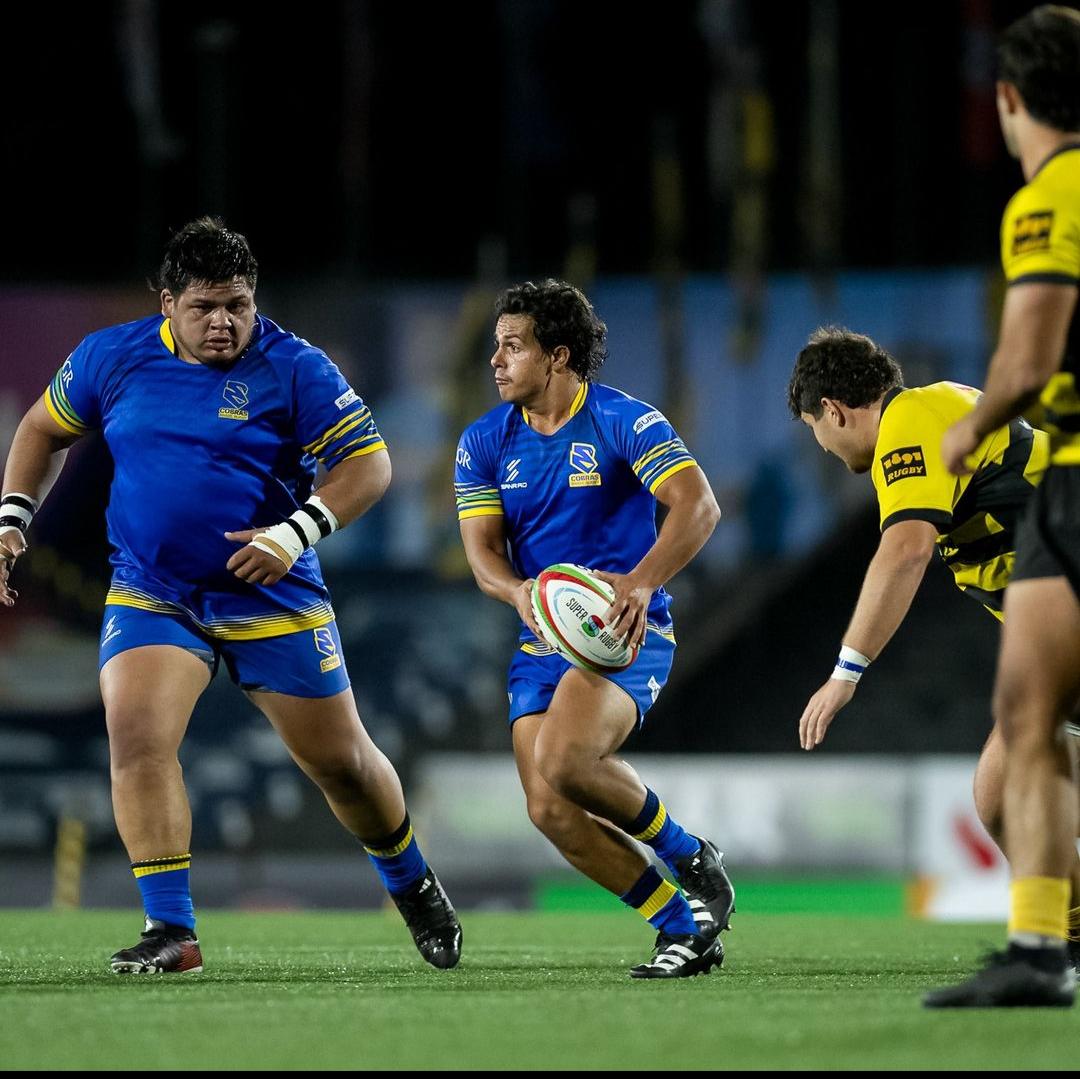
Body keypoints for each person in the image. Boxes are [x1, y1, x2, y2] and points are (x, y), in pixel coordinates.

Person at [0, 217, 461, 974]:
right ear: (167, 302)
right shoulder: (110, 357)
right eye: (206, 306)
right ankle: (173, 931)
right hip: (155, 590)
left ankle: (412, 884)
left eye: (238, 305)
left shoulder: (294, 365)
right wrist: (14, 517)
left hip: (272, 594)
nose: (224, 322)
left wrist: (296, 530)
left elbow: (369, 465)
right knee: (137, 733)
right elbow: (41, 428)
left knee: (340, 763)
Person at [455, 278, 733, 978]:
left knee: (565, 760)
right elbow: (482, 555)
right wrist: (516, 590)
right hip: (541, 639)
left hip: (621, 633)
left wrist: (641, 581)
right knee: (549, 807)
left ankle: (690, 855)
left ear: (557, 356)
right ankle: (682, 926)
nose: (496, 360)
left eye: (512, 346)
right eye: (496, 346)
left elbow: (697, 507)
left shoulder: (621, 420)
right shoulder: (485, 441)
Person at [786, 329, 1080, 935]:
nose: (820, 445)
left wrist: (846, 672)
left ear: (833, 412)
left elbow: (905, 552)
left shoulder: (910, 421)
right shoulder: (933, 411)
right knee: (1002, 794)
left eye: (813, 429)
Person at [927, 5, 1080, 1008]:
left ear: (1011, 98)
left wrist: (971, 425)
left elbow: (1028, 358)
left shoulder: (1049, 197)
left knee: (1028, 715)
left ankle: (1038, 949)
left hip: (1073, 477)